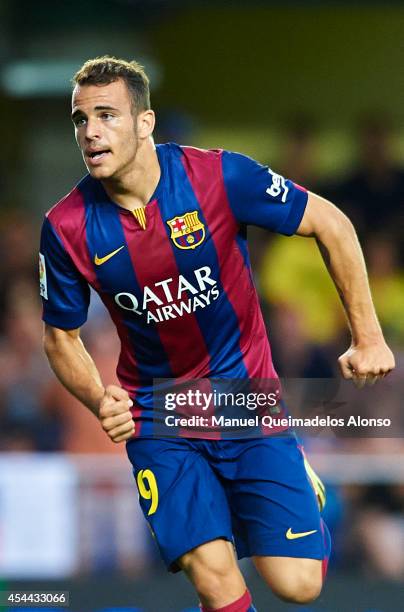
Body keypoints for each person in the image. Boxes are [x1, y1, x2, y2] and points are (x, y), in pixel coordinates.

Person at [40, 56, 395, 612]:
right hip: (157, 413)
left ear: (145, 123)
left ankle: (302, 482)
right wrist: (98, 397)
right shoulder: (65, 226)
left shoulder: (220, 177)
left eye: (107, 115)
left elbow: (332, 222)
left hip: (244, 398)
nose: (91, 132)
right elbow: (61, 337)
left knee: (299, 586)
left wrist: (368, 336)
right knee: (215, 579)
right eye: (80, 120)